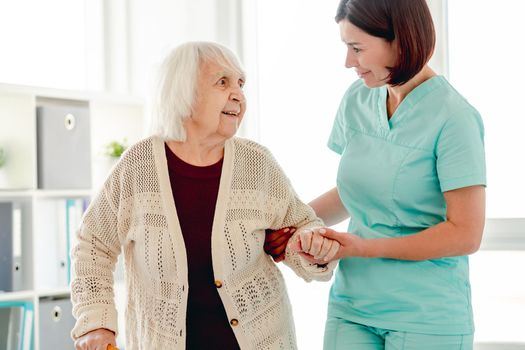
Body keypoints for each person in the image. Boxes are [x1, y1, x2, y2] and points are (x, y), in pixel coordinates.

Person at [70, 41, 340, 350]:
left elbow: (301, 229)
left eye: (241, 83)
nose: (238, 94)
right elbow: (93, 244)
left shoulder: (258, 164)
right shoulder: (138, 166)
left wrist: (309, 245)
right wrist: (97, 323)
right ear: (183, 91)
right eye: (222, 82)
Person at [265, 0, 486, 349]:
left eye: (357, 48)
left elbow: (466, 234)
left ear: (400, 39)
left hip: (426, 316)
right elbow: (353, 193)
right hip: (352, 307)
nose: (348, 62)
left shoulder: (454, 118)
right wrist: (292, 224)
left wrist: (363, 248)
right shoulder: (358, 98)